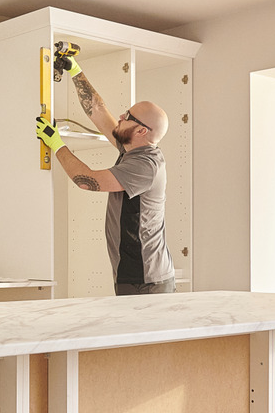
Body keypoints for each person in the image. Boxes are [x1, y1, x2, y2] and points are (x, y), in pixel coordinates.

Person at [35, 56, 175, 296]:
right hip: (136, 274)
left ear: (141, 130)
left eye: (128, 117)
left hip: (145, 279)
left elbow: (86, 180)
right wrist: (74, 70)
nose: (121, 117)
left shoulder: (145, 165)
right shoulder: (132, 148)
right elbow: (98, 111)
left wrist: (56, 143)